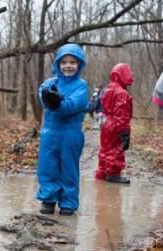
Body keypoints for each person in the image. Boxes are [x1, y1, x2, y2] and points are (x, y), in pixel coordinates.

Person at [37, 43, 89, 216]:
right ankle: (48, 199)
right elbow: (43, 96)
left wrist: (57, 103)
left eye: (73, 62)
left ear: (79, 65)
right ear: (58, 64)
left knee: (69, 168)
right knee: (47, 166)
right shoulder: (49, 83)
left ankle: (68, 202)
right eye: (64, 62)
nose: (68, 65)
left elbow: (74, 104)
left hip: (71, 132)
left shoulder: (81, 85)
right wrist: (49, 99)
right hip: (50, 131)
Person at [95, 63, 134, 184]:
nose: (130, 75)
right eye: (128, 72)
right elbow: (121, 115)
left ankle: (102, 171)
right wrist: (124, 133)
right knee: (116, 148)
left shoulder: (109, 89)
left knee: (106, 147)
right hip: (116, 124)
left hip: (108, 123)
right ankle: (113, 173)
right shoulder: (121, 93)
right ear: (119, 75)